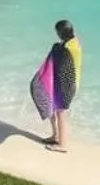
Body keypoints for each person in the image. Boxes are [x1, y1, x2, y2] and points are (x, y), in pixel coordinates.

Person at [30, 19, 82, 152]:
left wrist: (56, 48)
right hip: (67, 83)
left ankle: (62, 145)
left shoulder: (65, 50)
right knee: (53, 108)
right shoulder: (75, 43)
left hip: (67, 85)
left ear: (59, 34)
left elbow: (62, 69)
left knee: (61, 114)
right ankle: (55, 135)